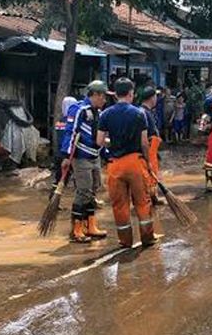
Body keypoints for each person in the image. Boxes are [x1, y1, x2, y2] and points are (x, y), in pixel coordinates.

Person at [96, 77, 157, 248]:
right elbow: (144, 143)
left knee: (119, 204)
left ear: (115, 94)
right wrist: (148, 162)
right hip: (135, 163)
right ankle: (147, 238)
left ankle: (125, 241)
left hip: (115, 165)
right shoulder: (139, 113)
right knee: (142, 202)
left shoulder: (106, 114)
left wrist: (113, 141)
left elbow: (99, 141)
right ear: (131, 93)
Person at [60, 81, 109, 243]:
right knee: (83, 191)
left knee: (94, 189)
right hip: (81, 157)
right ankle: (76, 229)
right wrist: (66, 156)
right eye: (102, 97)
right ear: (95, 95)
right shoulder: (79, 109)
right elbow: (70, 132)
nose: (104, 100)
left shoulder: (98, 112)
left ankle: (91, 225)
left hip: (95, 156)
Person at [139, 87, 163, 205]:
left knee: (152, 172)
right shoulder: (143, 113)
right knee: (149, 173)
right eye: (155, 96)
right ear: (152, 98)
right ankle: (149, 198)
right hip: (148, 146)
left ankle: (153, 196)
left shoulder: (146, 111)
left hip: (153, 147)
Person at [52, 96, 79, 194]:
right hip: (70, 154)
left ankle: (53, 199)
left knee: (59, 179)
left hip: (60, 153)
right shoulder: (72, 122)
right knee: (79, 179)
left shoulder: (59, 121)